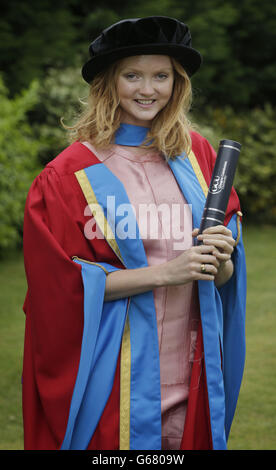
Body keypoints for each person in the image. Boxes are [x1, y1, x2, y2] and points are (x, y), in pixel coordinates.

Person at [22, 16, 246, 451]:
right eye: (133, 75)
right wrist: (167, 272)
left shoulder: (198, 156)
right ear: (109, 83)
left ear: (176, 84)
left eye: (161, 76)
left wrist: (221, 261)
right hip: (115, 376)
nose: (148, 89)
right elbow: (61, 287)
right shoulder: (69, 175)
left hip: (193, 368)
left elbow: (221, 279)